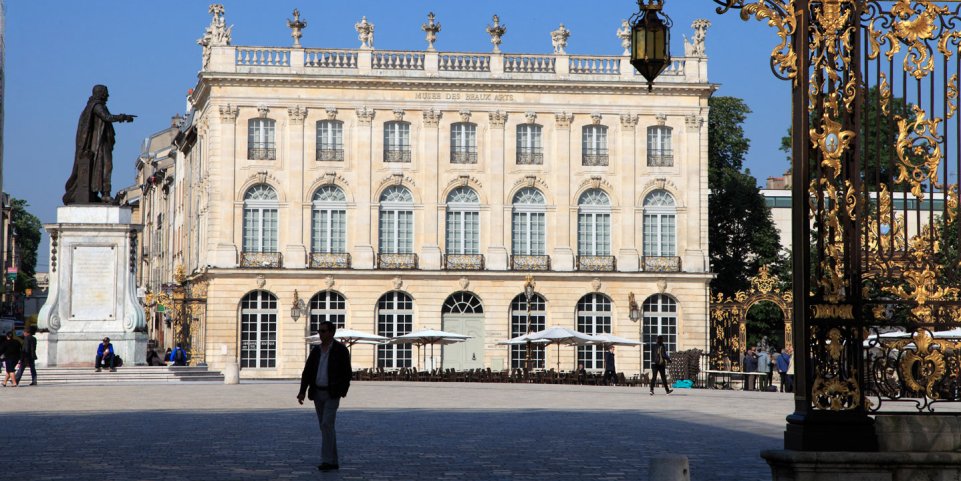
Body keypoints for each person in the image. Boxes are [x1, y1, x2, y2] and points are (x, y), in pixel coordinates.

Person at [63, 84, 135, 205]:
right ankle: (105, 194)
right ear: (100, 93)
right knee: (105, 167)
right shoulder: (96, 106)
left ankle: (99, 193)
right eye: (106, 92)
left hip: (101, 143)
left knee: (103, 168)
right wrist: (123, 117)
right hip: (97, 145)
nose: (108, 95)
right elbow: (106, 117)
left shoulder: (95, 106)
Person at [297, 321, 352, 472]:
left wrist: (343, 390)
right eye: (319, 331)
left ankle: (327, 460)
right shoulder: (316, 351)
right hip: (317, 392)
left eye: (323, 331)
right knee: (326, 427)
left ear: (331, 333)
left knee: (327, 424)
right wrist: (302, 391)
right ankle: (333, 460)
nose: (320, 334)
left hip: (332, 393)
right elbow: (307, 372)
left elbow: (347, 372)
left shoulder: (341, 350)